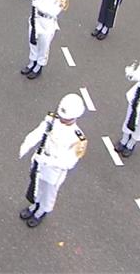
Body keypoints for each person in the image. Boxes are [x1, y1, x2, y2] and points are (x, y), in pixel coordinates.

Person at [18, 93, 87, 228]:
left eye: (66, 118)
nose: (63, 119)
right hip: (39, 160)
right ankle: (34, 205)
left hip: (54, 170)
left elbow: (69, 163)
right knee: (36, 185)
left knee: (48, 192)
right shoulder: (52, 120)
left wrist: (47, 161)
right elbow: (38, 133)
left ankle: (41, 211)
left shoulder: (79, 138)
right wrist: (26, 144)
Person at [19, 0, 69, 79]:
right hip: (36, 19)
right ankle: (32, 62)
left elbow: (53, 11)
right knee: (32, 42)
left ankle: (39, 66)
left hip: (47, 23)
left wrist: (38, 4)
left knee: (43, 46)